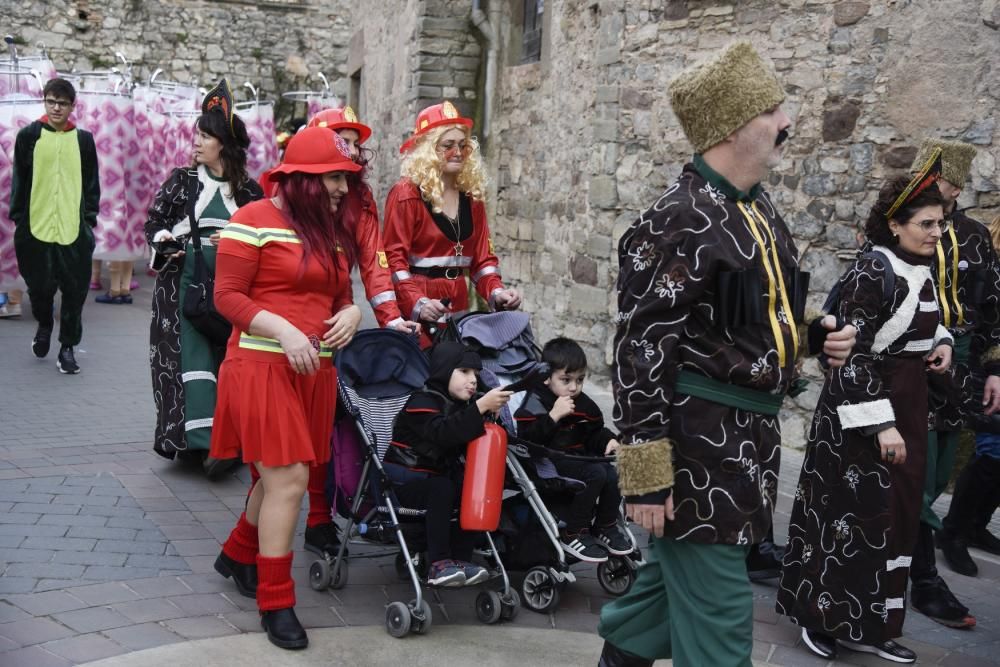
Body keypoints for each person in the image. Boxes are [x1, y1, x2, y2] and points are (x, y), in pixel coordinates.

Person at [594, 41, 857, 667]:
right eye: (773, 110)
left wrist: (815, 337)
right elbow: (639, 351)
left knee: (660, 601)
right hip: (696, 455)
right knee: (721, 623)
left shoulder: (758, 209)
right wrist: (647, 476)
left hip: (749, 449)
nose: (787, 122)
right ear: (734, 125)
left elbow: (757, 316)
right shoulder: (674, 220)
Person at [777, 161, 954, 664]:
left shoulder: (919, 265)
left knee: (894, 519)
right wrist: (883, 424)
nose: (936, 232)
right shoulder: (873, 268)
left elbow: (916, 322)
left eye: (940, 223)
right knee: (850, 518)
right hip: (862, 414)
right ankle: (822, 620)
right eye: (927, 223)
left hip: (908, 401)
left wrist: (939, 343)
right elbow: (852, 354)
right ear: (895, 224)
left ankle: (870, 623)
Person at [210, 126, 362, 650]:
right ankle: (276, 602)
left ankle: (236, 555)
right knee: (291, 478)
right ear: (301, 178)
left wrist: (354, 313)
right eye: (333, 178)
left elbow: (341, 295)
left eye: (346, 178)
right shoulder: (250, 220)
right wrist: (282, 327)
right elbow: (226, 297)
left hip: (313, 372)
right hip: (259, 366)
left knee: (278, 479)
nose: (343, 188)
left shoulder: (333, 234)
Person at [145, 80, 264, 476]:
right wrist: (166, 246)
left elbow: (266, 240)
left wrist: (234, 240)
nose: (195, 142)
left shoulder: (250, 192)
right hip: (182, 287)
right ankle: (202, 445)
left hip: (233, 290)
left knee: (228, 362)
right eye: (196, 134)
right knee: (189, 362)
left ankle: (227, 442)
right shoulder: (182, 181)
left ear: (224, 144)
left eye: (204, 135)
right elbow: (155, 224)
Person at [904, 139, 1000, 627]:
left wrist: (995, 368)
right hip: (911, 358)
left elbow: (993, 308)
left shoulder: (977, 236)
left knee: (941, 469)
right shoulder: (901, 226)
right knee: (916, 473)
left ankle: (914, 545)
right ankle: (923, 577)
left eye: (948, 182)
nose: (950, 188)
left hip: (963, 359)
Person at [383, 101, 521, 348]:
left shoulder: (471, 196)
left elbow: (483, 260)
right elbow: (394, 261)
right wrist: (418, 303)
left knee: (458, 379)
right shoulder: (406, 194)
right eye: (448, 145)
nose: (457, 152)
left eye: (462, 145)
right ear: (428, 149)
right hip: (419, 306)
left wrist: (498, 293)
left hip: (459, 304)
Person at [383, 341, 511, 586]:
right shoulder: (422, 401)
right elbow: (442, 433)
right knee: (442, 487)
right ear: (443, 370)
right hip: (404, 481)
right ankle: (438, 563)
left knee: (469, 488)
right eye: (464, 372)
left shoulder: (461, 407)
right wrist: (479, 407)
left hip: (437, 482)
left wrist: (485, 414)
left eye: (475, 374)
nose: (473, 380)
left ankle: (462, 560)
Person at [10, 77, 100, 374]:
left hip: (73, 230)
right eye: (51, 101)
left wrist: (88, 223)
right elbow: (19, 182)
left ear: (73, 106)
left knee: (75, 292)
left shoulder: (84, 140)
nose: (57, 108)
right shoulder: (28, 136)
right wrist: (19, 222)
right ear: (44, 101)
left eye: (62, 103)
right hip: (35, 228)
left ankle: (67, 348)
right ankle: (45, 323)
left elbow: (91, 186)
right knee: (39, 289)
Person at [514, 337, 629, 563]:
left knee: (612, 474)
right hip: (547, 461)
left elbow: (594, 431)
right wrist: (553, 416)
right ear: (546, 377)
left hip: (577, 458)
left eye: (580, 380)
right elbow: (527, 440)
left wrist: (608, 440)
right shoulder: (535, 401)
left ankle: (605, 525)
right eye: (566, 380)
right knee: (595, 474)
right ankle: (574, 532)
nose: (574, 387)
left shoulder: (583, 403)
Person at [937, 210, 1000, 576]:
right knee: (992, 452)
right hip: (985, 365)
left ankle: (976, 526)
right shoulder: (986, 260)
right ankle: (953, 532)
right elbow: (984, 319)